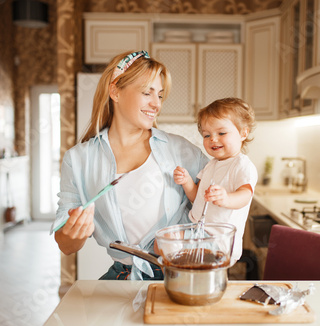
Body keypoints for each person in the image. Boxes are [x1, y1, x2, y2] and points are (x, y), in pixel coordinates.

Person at [53, 50, 209, 280]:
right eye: (147, 93)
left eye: (160, 96)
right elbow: (66, 246)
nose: (156, 104)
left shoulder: (183, 151)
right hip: (122, 278)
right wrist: (75, 232)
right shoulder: (79, 160)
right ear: (115, 91)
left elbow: (216, 209)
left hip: (181, 276)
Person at [173, 97, 258, 264]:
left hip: (219, 240)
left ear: (243, 133)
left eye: (221, 133)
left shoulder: (242, 165)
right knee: (163, 245)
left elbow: (245, 195)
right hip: (199, 231)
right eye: (207, 135)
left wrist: (226, 198)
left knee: (169, 244)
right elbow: (196, 197)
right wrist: (187, 182)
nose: (213, 139)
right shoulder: (211, 165)